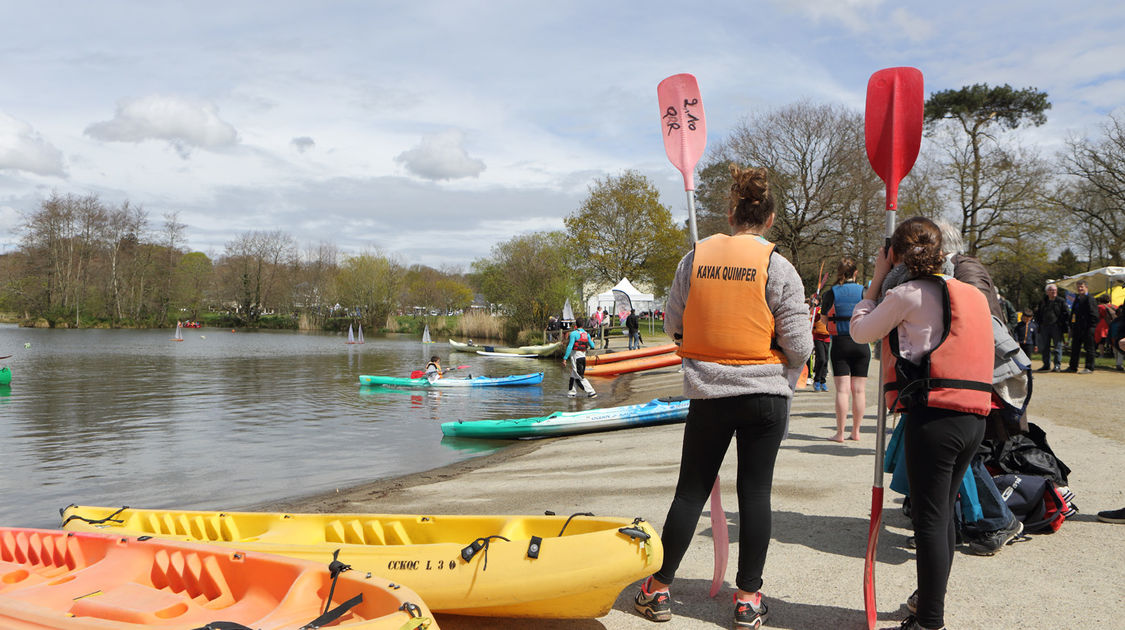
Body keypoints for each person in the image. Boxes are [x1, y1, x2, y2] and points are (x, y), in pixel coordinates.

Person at [634, 165, 811, 628]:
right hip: (766, 395)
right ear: (770, 220)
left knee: (690, 489)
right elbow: (801, 346)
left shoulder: (695, 257)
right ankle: (748, 599)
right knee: (755, 493)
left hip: (710, 393)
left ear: (731, 214)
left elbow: (673, 324)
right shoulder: (780, 265)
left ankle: (658, 590)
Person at [850, 216, 994, 630]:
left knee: (930, 519)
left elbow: (861, 332)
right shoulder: (970, 293)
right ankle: (928, 604)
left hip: (935, 418)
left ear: (895, 254)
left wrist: (874, 283)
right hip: (972, 419)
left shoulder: (906, 293)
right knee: (943, 515)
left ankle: (931, 620)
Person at [819, 257, 868, 441]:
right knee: (859, 390)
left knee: (842, 391)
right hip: (861, 342)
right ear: (855, 273)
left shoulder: (831, 293)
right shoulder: (864, 291)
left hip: (840, 343)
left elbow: (824, 319)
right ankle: (856, 432)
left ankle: (840, 433)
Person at [1066, 280, 1098, 373]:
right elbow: (1073, 313)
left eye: (1082, 287)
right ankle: (1073, 367)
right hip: (1077, 327)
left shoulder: (1090, 299)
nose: (1080, 289)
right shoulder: (1077, 298)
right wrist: (1072, 325)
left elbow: (1094, 315)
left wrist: (1090, 327)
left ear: (1086, 288)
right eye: (1078, 287)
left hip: (1088, 328)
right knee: (1075, 347)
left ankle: (1089, 367)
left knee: (1089, 348)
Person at [1035, 284, 1069, 372]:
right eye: (1051, 290)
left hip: (1057, 327)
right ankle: (1046, 365)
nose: (1053, 291)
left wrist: (1062, 324)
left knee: (1057, 346)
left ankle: (1057, 365)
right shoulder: (1043, 301)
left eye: (1055, 290)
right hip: (1044, 327)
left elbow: (1066, 313)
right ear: (1047, 292)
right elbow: (1038, 313)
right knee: (1045, 347)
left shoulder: (1061, 301)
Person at [561, 317, 597, 398]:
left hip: (576, 357)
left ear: (576, 325)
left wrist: (565, 358)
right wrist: (590, 339)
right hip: (583, 357)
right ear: (583, 325)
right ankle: (572, 393)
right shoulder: (586, 334)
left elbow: (570, 346)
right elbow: (592, 345)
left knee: (579, 376)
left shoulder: (573, 334)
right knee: (574, 375)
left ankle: (591, 392)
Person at [809, 294, 830, 392]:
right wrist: (813, 306)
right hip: (818, 338)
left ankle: (822, 381)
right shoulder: (817, 310)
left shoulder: (831, 308)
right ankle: (817, 380)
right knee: (821, 359)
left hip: (828, 338)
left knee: (825, 360)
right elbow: (808, 316)